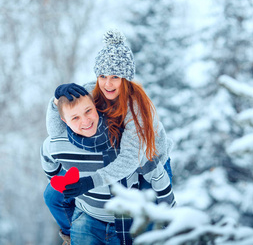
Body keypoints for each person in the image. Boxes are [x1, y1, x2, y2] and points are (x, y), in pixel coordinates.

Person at [41, 88, 175, 245]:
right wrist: (55, 101)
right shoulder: (57, 143)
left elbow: (156, 176)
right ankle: (70, 235)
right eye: (75, 118)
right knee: (53, 194)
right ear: (65, 121)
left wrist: (170, 220)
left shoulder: (128, 133)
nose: (84, 121)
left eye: (88, 111)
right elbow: (50, 161)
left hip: (143, 167)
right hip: (89, 214)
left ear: (96, 107)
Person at [46, 29, 173, 191]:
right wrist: (57, 101)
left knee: (151, 211)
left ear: (126, 79)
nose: (107, 84)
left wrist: (91, 182)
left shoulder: (136, 107)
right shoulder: (90, 93)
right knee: (58, 195)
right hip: (114, 160)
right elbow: (56, 133)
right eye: (103, 76)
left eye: (115, 77)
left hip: (151, 165)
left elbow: (130, 158)